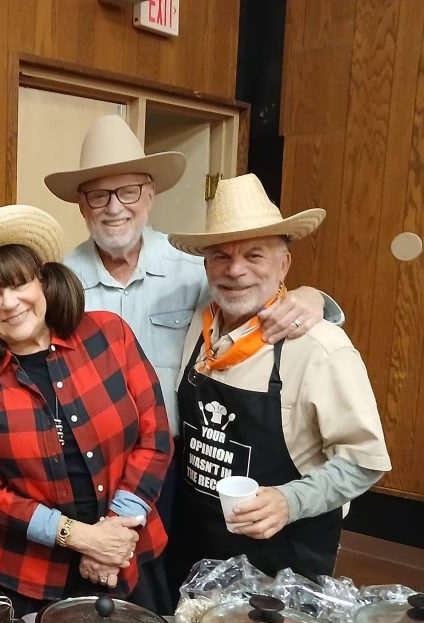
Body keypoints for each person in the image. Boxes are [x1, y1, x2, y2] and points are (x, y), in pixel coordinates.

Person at [0, 116, 336, 532]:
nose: (114, 207)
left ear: (151, 194)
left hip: (189, 457)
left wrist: (311, 298)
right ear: (81, 205)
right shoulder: (57, 281)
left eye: (129, 191)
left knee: (179, 575)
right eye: (98, 196)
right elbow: (16, 338)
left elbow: (253, 303)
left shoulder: (194, 270)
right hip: (94, 468)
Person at [0, 205, 174, 617]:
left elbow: (154, 436)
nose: (10, 303)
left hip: (129, 552)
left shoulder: (108, 334)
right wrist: (81, 538)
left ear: (43, 281)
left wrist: (112, 537)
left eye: (19, 283)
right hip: (31, 576)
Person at [166, 174, 391, 585]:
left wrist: (290, 501)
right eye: (220, 256)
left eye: (255, 256)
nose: (235, 271)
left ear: (284, 263)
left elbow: (365, 461)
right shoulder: (198, 330)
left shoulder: (320, 347)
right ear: (205, 265)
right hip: (196, 552)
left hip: (280, 569)